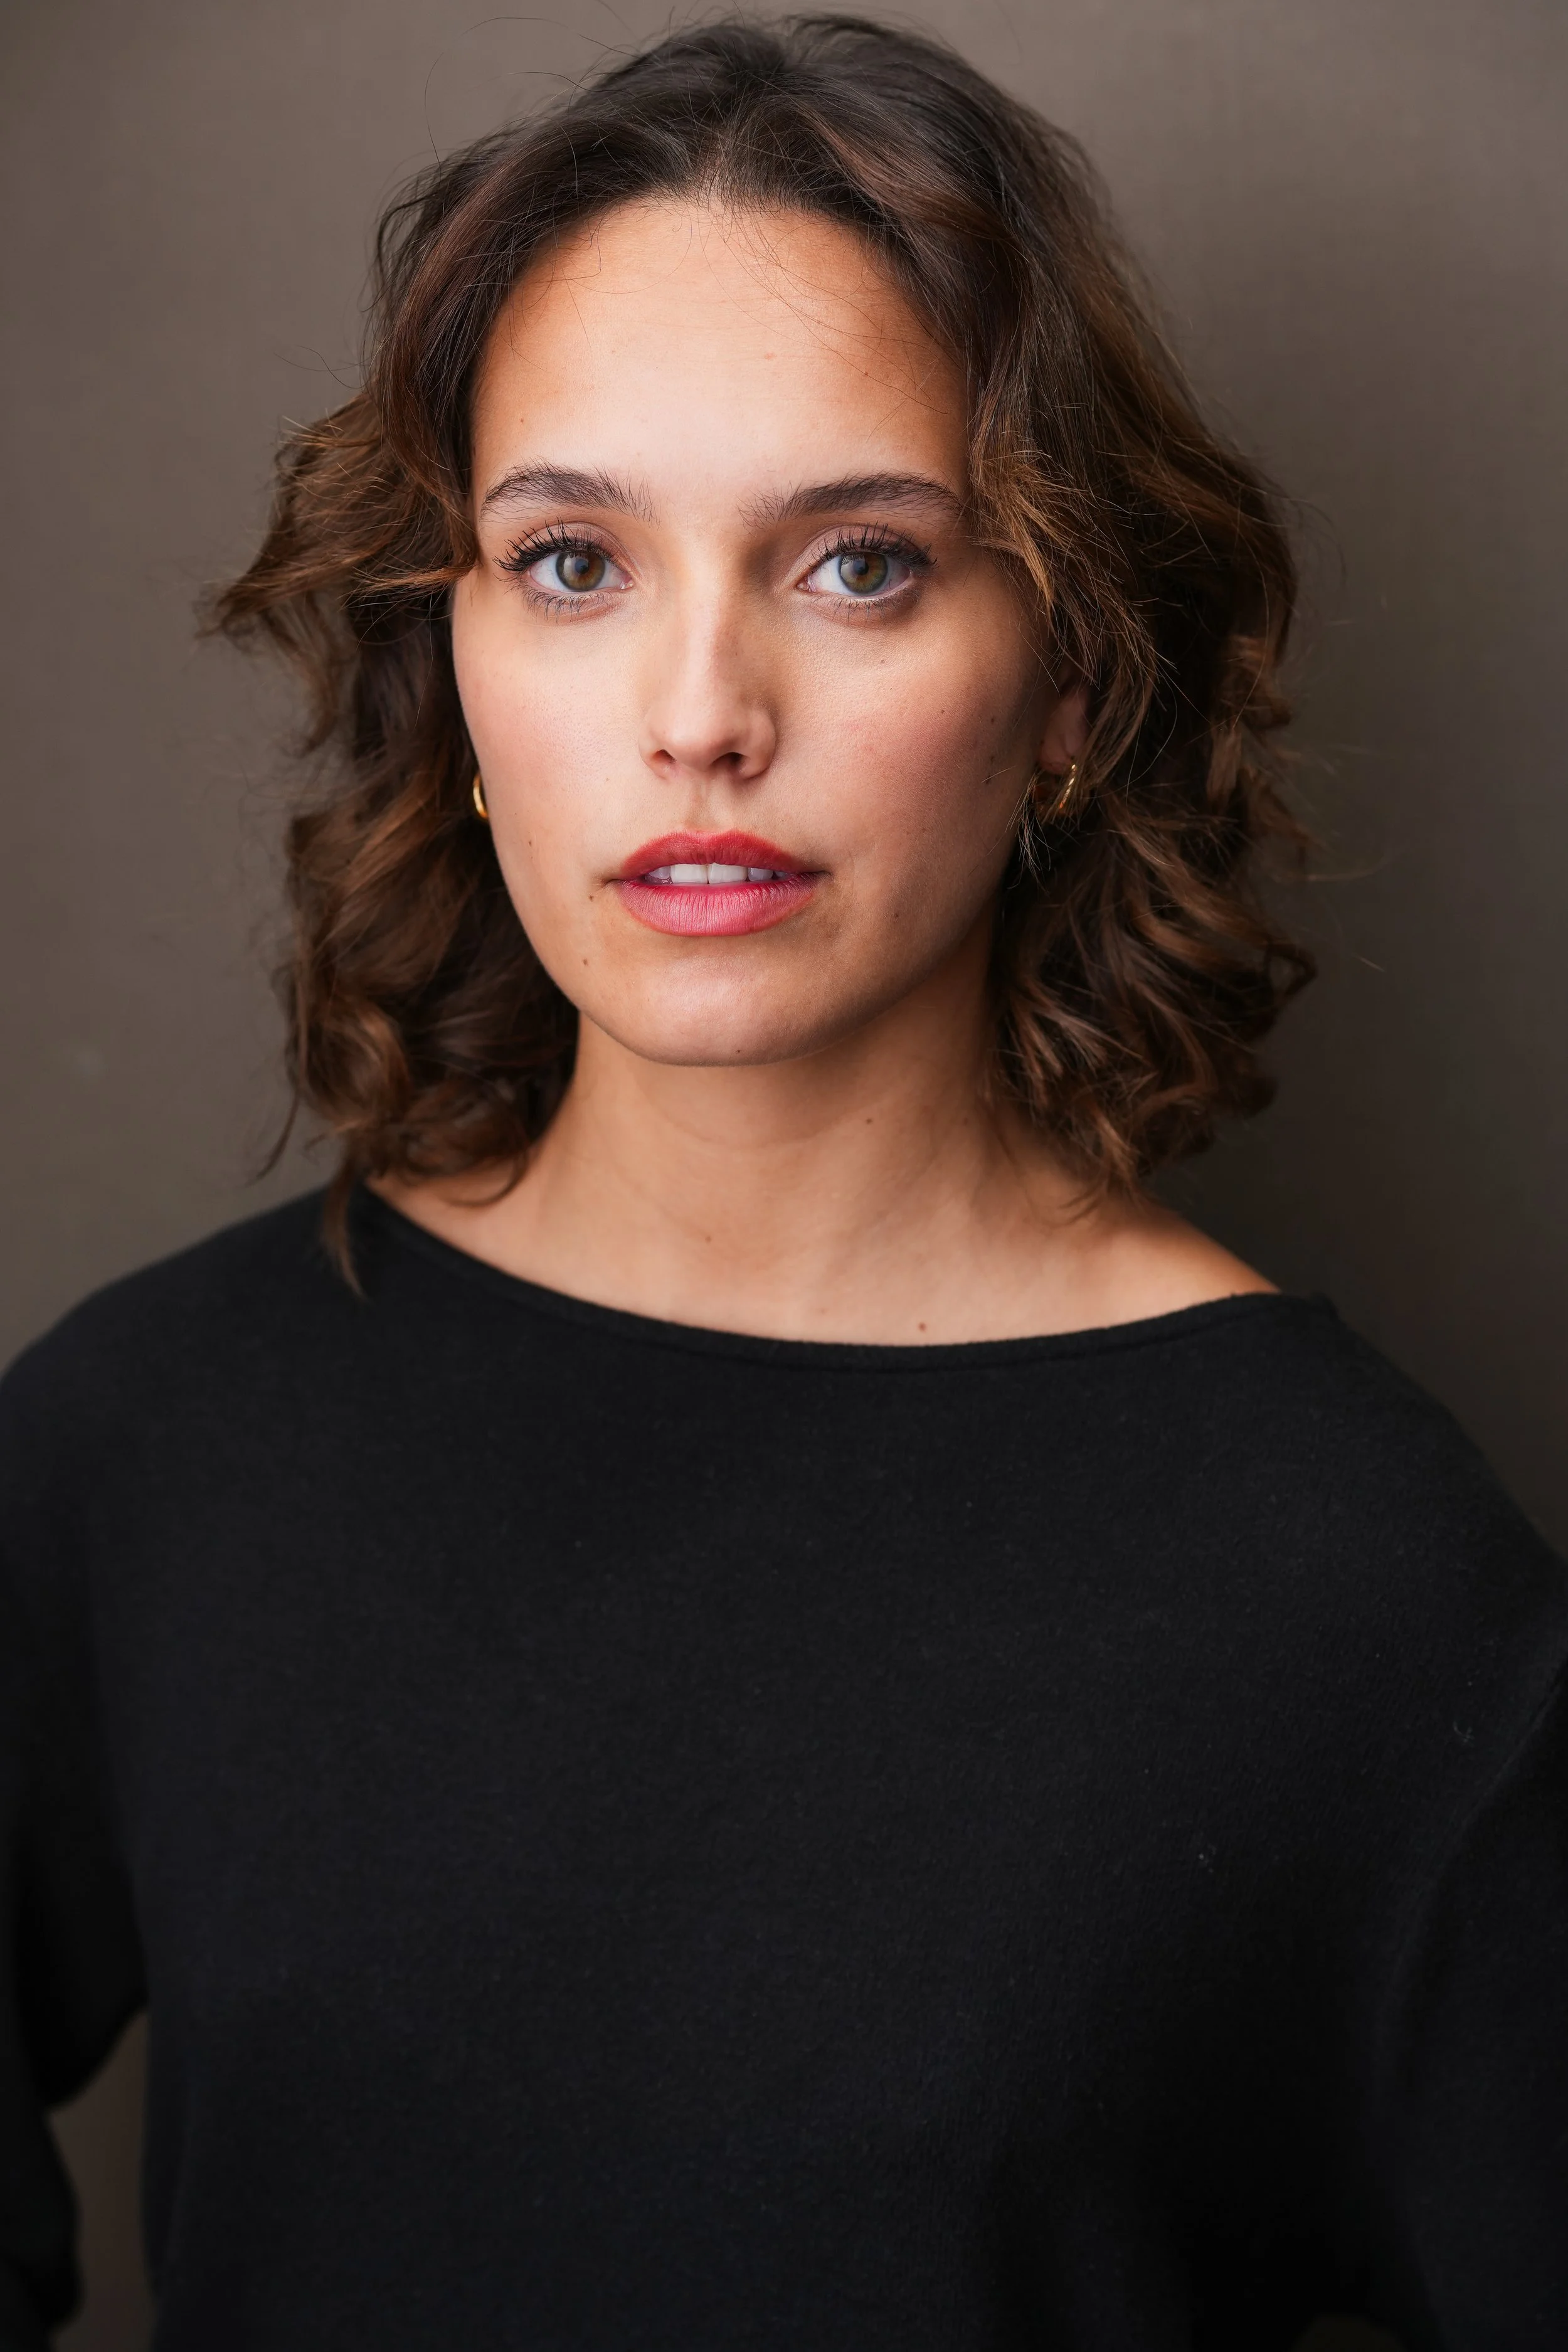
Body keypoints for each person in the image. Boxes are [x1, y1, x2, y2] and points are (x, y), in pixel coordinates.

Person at [1, 17, 1563, 2348]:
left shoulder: (1364, 1592)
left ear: (1065, 680)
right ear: (455, 650)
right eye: (569, 560)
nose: (699, 707)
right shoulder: (149, 1444)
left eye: (855, 563)